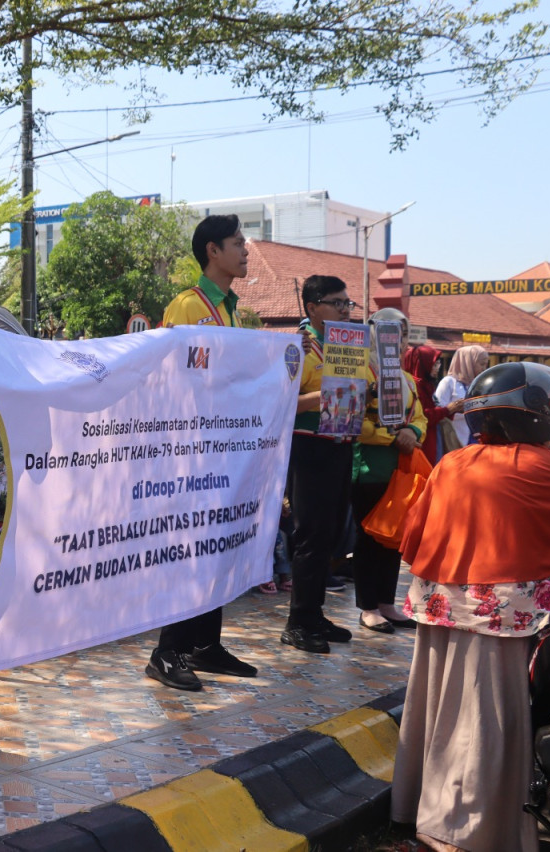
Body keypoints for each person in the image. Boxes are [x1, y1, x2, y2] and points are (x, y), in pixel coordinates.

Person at [391, 361, 550, 852]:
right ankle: (462, 831)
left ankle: (418, 810)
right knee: (481, 720)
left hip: (439, 603)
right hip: (498, 613)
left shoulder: (453, 463)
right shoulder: (546, 466)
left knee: (436, 709)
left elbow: (412, 535)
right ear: (532, 414)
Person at [143, 214, 258, 691]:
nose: (245, 251)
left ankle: (205, 644)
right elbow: (175, 382)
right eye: (237, 243)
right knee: (188, 552)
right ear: (213, 251)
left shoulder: (230, 309)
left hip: (222, 449)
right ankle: (166, 652)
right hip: (191, 453)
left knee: (218, 548)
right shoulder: (188, 308)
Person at [283, 275, 361, 654]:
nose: (346, 310)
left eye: (349, 303)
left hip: (340, 443)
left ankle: (314, 614)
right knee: (310, 537)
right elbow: (282, 401)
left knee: (330, 536)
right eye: (338, 303)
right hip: (308, 448)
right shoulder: (296, 347)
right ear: (312, 308)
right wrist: (325, 392)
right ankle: (298, 622)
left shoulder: (349, 346)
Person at [351, 308, 426, 634]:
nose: (400, 341)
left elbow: (420, 417)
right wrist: (392, 437)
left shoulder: (407, 379)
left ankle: (386, 602)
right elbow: (352, 421)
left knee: (394, 538)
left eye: (405, 335)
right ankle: (368, 607)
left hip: (400, 472)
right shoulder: (361, 374)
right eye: (393, 334)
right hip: (368, 469)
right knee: (369, 540)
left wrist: (413, 433)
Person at [402, 344, 450, 464]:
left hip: (432, 440)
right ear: (421, 364)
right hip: (421, 443)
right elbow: (423, 416)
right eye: (434, 364)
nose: (437, 368)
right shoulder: (414, 385)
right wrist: (447, 410)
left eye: (438, 364)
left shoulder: (427, 385)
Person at [433, 344, 487, 446]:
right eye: (481, 364)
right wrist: (456, 409)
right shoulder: (448, 383)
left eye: (486, 364)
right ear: (468, 363)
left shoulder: (478, 385)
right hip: (454, 440)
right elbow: (439, 413)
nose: (484, 368)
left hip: (475, 441)